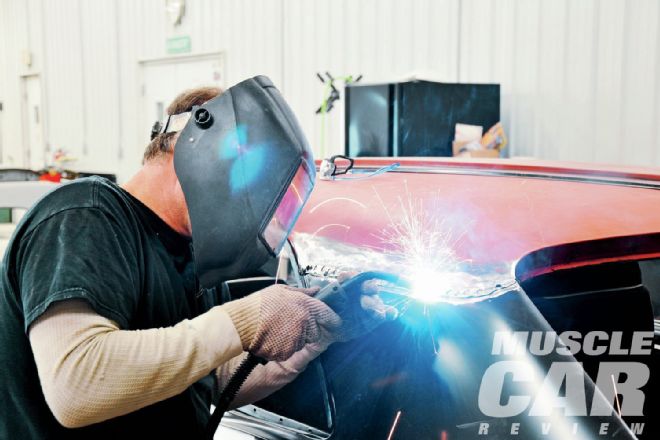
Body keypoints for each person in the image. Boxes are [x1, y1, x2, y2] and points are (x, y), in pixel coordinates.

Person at [0, 77, 394, 438]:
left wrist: (311, 336)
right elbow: (77, 385)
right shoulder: (85, 215)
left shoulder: (188, 255)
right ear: (193, 145)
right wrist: (245, 321)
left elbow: (207, 378)